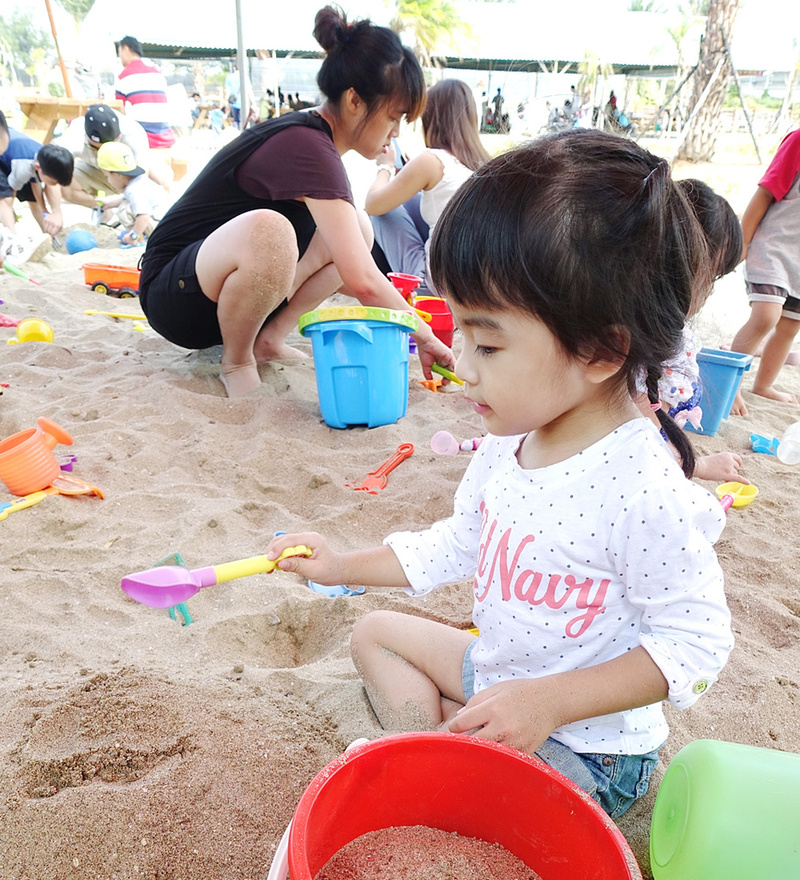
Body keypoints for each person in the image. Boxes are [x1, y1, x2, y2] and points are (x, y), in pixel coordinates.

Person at [265, 131, 733, 819]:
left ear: (601, 348)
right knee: (373, 634)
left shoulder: (642, 488)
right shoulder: (504, 445)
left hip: (585, 746)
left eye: (486, 341)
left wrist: (547, 702)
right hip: (498, 675)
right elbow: (458, 544)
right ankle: (424, 742)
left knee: (471, 808)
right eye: (458, 331)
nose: (462, 362)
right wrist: (340, 565)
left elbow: (695, 643)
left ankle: (442, 759)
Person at [139, 6, 456, 400]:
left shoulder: (315, 140)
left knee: (358, 227)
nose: (395, 132)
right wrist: (424, 335)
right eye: (394, 116)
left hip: (216, 287)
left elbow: (356, 266)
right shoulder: (308, 146)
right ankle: (237, 360)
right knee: (271, 233)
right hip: (174, 295)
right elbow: (364, 281)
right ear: (355, 101)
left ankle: (267, 338)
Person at [635, 178, 750, 484]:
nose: (710, 290)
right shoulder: (665, 348)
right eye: (713, 275)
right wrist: (697, 465)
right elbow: (631, 443)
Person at [365, 79, 489, 292]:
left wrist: (385, 167)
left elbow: (373, 205)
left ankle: (397, 289)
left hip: (432, 287)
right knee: (413, 198)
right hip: (471, 289)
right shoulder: (484, 163)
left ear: (431, 117)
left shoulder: (431, 160)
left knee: (381, 211)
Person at [729, 125, 800, 417]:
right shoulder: (798, 140)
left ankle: (763, 385)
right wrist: (743, 242)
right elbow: (764, 193)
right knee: (766, 315)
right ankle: (727, 386)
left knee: (789, 326)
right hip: (773, 248)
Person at [57, 103, 171, 214]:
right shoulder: (73, 136)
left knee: (163, 179)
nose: (100, 154)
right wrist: (55, 212)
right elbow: (50, 171)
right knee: (62, 183)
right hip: (93, 169)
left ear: (119, 137)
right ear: (86, 136)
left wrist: (121, 199)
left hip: (127, 169)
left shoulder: (132, 132)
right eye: (94, 148)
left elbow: (141, 176)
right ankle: (102, 209)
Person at [96, 141, 170, 244]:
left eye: (107, 176)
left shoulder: (133, 190)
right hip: (167, 223)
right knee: (127, 204)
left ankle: (141, 240)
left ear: (118, 175)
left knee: (125, 210)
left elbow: (144, 215)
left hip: (162, 229)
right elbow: (127, 198)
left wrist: (133, 236)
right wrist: (109, 204)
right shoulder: (139, 181)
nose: (108, 180)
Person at [115, 36, 176, 151]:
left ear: (126, 50)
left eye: (120, 53)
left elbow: (120, 114)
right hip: (166, 137)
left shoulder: (123, 77)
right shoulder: (158, 74)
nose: (120, 57)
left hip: (142, 140)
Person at [5, 141, 73, 238]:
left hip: (18, 156)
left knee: (34, 200)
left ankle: (50, 236)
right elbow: (8, 197)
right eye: (53, 182)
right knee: (7, 213)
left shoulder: (47, 157)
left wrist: (46, 211)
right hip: (6, 162)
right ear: (38, 167)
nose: (54, 185)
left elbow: (36, 181)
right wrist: (9, 214)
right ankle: (11, 239)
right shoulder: (23, 167)